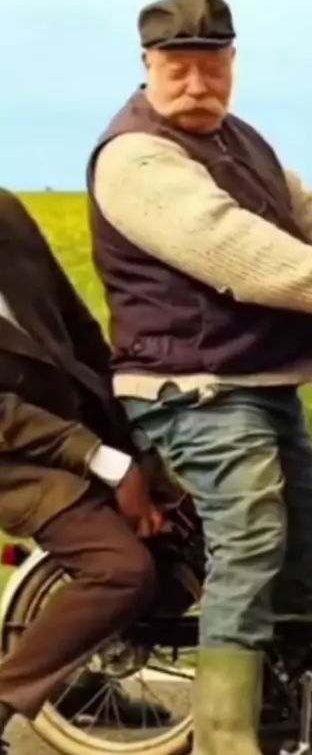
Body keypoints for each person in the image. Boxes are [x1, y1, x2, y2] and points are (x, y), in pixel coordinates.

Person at [86, 0, 312, 755]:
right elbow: (233, 248)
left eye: (213, 66)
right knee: (253, 533)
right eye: (179, 68)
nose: (197, 84)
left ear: (233, 63)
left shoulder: (243, 143)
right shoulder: (136, 156)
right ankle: (225, 735)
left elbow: (307, 220)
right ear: (147, 64)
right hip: (190, 387)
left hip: (258, 380)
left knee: (304, 532)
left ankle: (282, 709)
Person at [0, 188, 187, 752]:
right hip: (15, 463)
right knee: (120, 570)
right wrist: (105, 461)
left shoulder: (5, 211)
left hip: (79, 428)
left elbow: (79, 329)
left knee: (206, 530)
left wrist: (136, 436)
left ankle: (83, 678)